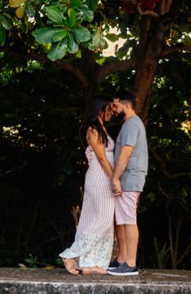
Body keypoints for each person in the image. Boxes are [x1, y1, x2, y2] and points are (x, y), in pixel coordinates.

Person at [59, 97, 119, 275]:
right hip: (100, 177)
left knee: (96, 220)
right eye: (108, 109)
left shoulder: (102, 129)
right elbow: (101, 158)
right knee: (103, 219)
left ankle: (90, 264)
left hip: (102, 177)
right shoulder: (93, 130)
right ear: (99, 109)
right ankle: (71, 254)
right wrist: (114, 178)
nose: (111, 112)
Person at [108, 95, 148, 277]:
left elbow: (126, 153)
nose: (113, 109)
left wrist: (115, 178)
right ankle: (122, 259)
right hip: (126, 178)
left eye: (115, 105)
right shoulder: (129, 124)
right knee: (122, 220)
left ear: (126, 104)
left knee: (129, 220)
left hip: (130, 177)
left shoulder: (132, 124)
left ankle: (130, 263)